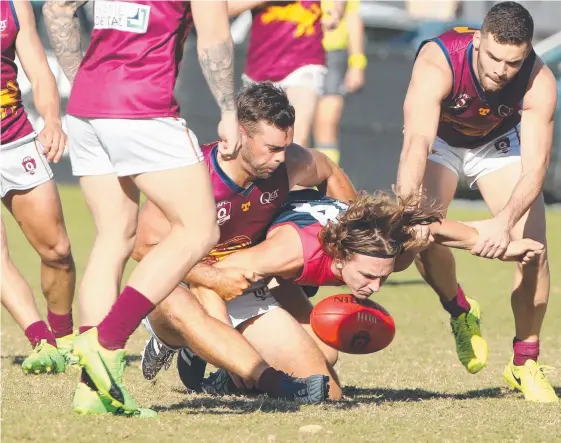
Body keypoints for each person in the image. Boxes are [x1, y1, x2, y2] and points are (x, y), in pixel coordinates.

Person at [43, 0, 242, 416]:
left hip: (86, 105)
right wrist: (228, 110)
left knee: (115, 236)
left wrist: (85, 81)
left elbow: (57, 8)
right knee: (199, 230)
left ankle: (92, 388)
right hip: (141, 108)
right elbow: (215, 37)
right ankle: (107, 341)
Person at [168, 187, 543, 397]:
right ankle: (185, 344)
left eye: (382, 278)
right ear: (341, 255)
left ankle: (233, 378)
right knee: (327, 393)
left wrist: (501, 248)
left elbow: (437, 229)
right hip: (236, 280)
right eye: (367, 275)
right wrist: (228, 352)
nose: (374, 288)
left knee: (328, 347)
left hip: (287, 278)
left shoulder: (392, 245)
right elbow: (208, 276)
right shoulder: (288, 251)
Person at [134, 82, 356, 402]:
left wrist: (355, 227)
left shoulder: (288, 163)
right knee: (202, 325)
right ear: (239, 134)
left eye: (286, 146)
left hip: (245, 284)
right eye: (272, 148)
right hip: (192, 284)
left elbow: (327, 170)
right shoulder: (191, 174)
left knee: (327, 375)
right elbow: (143, 248)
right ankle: (172, 342)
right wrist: (213, 277)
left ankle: (226, 372)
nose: (282, 157)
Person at [395, 1, 558, 402]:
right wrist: (410, 211)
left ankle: (525, 363)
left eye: (513, 62)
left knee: (534, 251)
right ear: (478, 39)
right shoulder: (439, 60)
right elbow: (417, 142)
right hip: (441, 141)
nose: (501, 70)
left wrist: (503, 223)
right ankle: (460, 310)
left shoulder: (540, 80)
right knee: (419, 238)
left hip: (497, 145)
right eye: (494, 57)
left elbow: (536, 169)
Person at [1, 0, 76, 373]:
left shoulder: (14, 7)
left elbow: (41, 73)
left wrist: (51, 120)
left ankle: (64, 337)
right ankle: (40, 341)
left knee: (58, 250)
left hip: (14, 140)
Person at [228, 1, 346, 148]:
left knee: (296, 138)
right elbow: (224, 8)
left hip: (305, 61)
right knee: (256, 144)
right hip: (261, 67)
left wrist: (336, 11)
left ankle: (297, 166)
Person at [313, 0, 366, 165]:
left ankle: (324, 183)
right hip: (296, 53)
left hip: (332, 55)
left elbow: (352, 17)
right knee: (294, 123)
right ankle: (290, 185)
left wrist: (357, 63)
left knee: (327, 123)